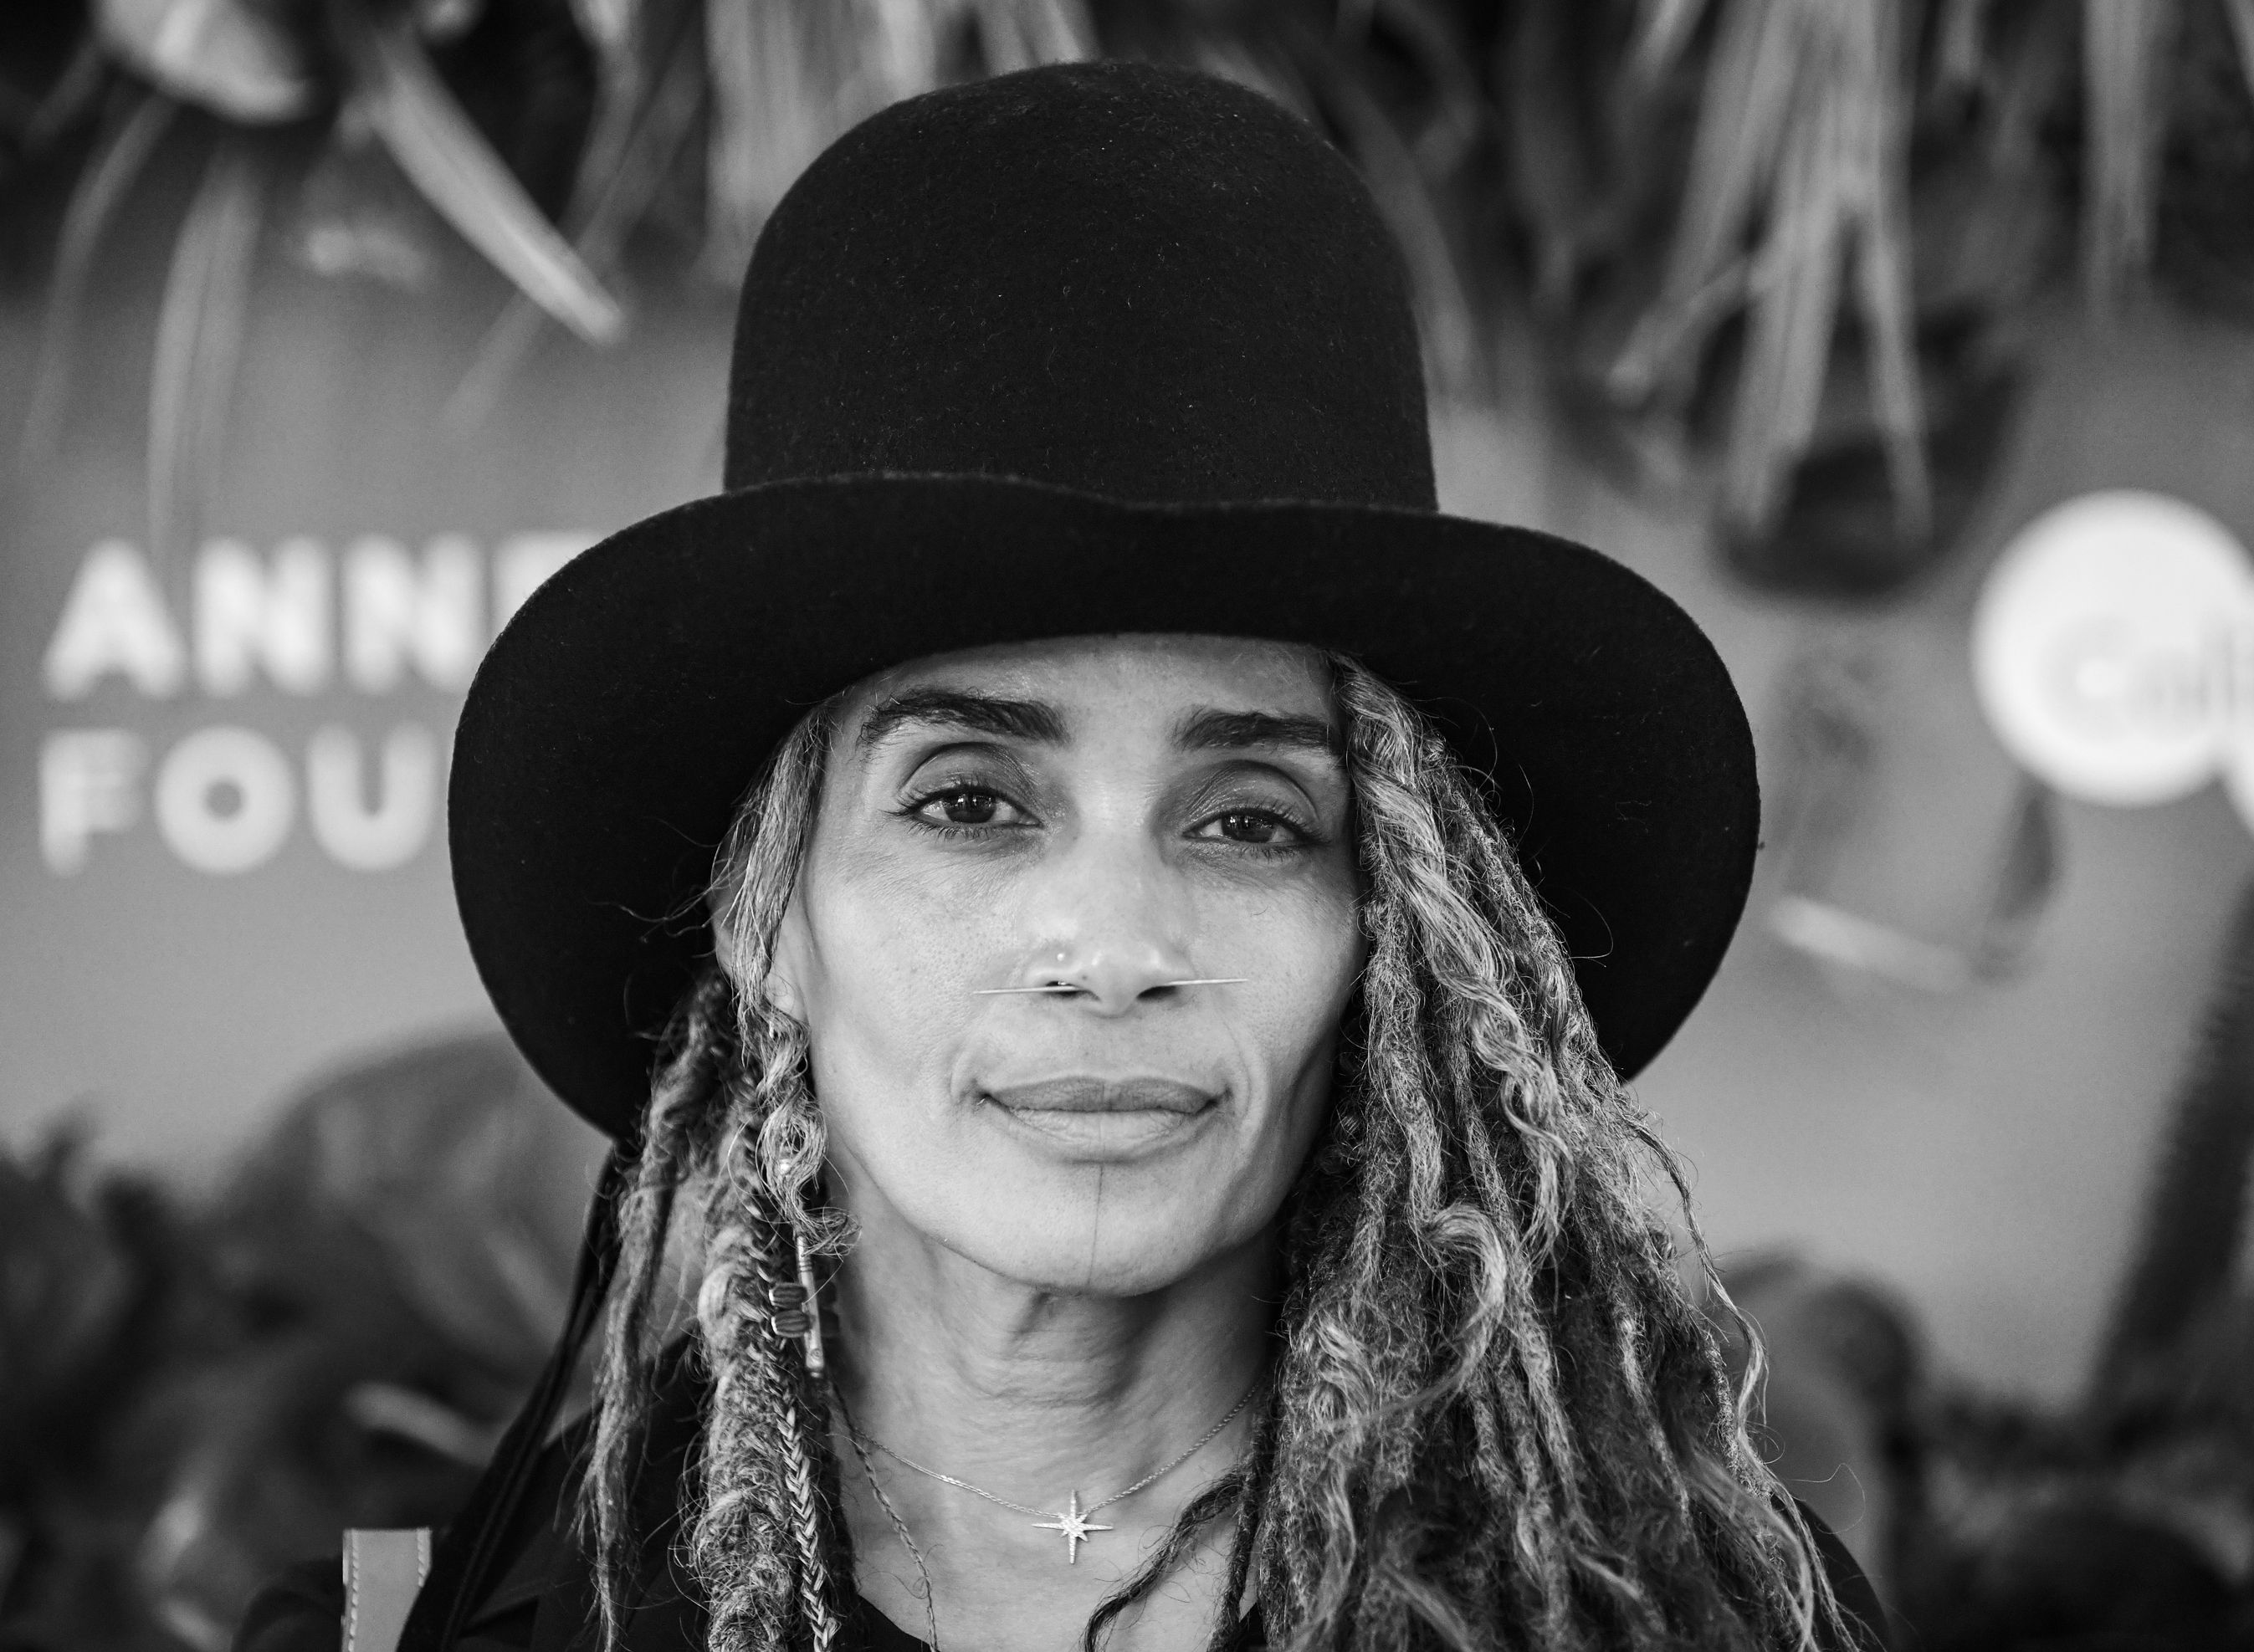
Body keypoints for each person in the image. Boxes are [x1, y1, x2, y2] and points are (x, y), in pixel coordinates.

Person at [238, 59, 1883, 1652]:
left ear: (1396, 939)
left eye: (1253, 822)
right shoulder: (407, 1639)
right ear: (768, 925)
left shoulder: (1711, 1624)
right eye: (970, 800)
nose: (1110, 942)